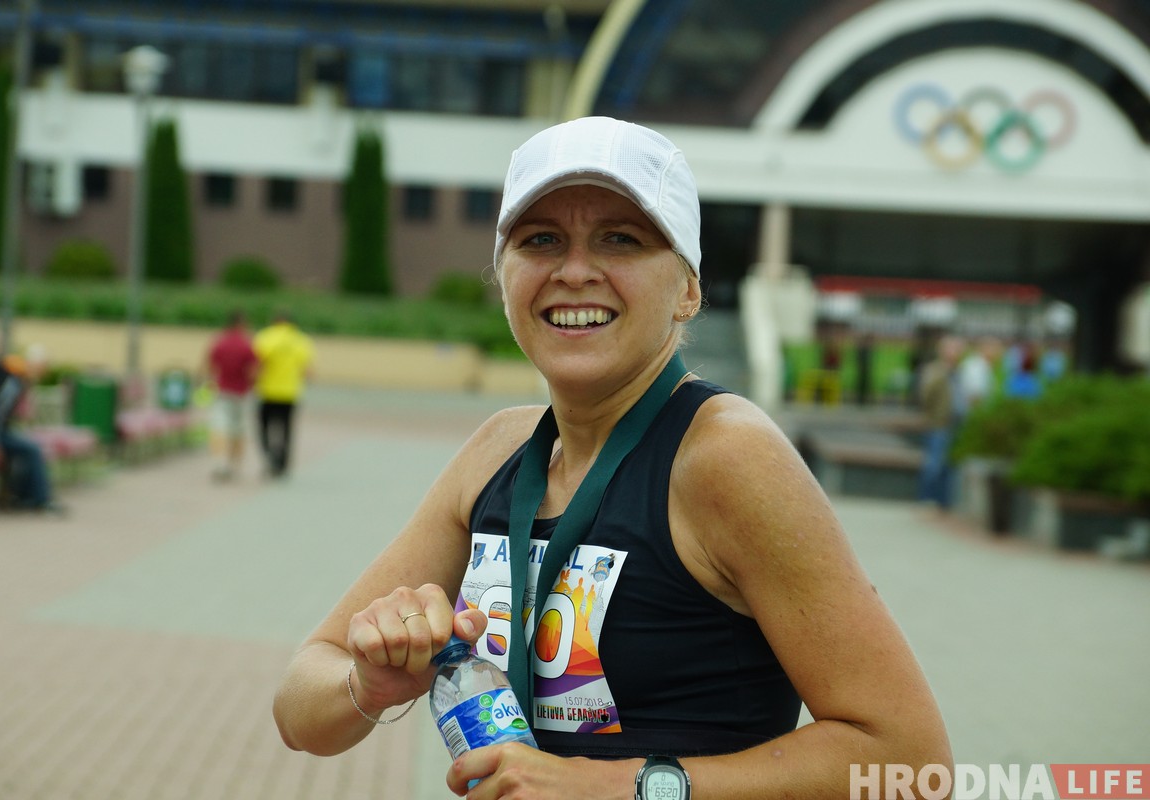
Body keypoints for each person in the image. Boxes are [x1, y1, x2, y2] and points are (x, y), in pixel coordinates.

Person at [272, 117, 951, 798]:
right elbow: (301, 707)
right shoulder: (497, 451)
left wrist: (619, 785)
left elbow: (911, 764)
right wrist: (368, 683)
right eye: (541, 240)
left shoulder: (725, 455)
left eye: (620, 239)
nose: (574, 271)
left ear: (688, 289)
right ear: (503, 276)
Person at [0, 340, 63, 514]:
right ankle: (40, 499)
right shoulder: (12, 382)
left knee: (28, 449)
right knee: (32, 449)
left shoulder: (20, 382)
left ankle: (24, 496)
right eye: (41, 367)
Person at [253, 311, 313, 478]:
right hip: (290, 392)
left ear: (274, 322)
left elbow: (258, 364)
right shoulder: (301, 340)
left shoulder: (265, 337)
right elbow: (307, 371)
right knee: (286, 429)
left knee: (264, 427)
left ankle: (269, 456)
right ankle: (283, 463)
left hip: (268, 391)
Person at [205, 310, 258, 482]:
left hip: (222, 392)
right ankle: (234, 465)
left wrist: (209, 385)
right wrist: (253, 385)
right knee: (238, 430)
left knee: (219, 428)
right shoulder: (247, 344)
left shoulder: (219, 342)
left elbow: (210, 366)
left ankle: (219, 464)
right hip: (241, 393)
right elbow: (253, 372)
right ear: (241, 324)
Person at [917, 334, 965, 511]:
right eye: (952, 348)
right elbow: (926, 394)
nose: (956, 352)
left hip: (956, 424)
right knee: (934, 464)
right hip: (938, 423)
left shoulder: (959, 371)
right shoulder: (935, 370)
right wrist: (943, 374)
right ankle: (927, 499)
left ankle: (944, 502)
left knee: (948, 466)